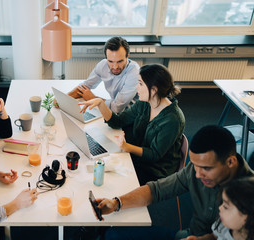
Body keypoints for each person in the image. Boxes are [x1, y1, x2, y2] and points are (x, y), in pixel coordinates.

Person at [93, 125, 254, 240]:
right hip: (189, 236)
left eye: (205, 168)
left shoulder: (248, 194)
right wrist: (116, 203)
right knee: (113, 235)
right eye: (195, 166)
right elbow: (158, 190)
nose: (197, 175)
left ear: (231, 162)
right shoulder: (197, 170)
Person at [80, 63, 185, 185]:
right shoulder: (145, 103)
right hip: (136, 157)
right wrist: (100, 104)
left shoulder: (173, 119)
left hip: (154, 170)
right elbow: (118, 121)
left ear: (154, 90)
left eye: (140, 84)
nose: (136, 87)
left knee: (109, 180)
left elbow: (154, 155)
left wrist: (127, 147)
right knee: (96, 168)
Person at [67, 36, 140, 113]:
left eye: (120, 61)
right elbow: (84, 87)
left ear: (127, 56)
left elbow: (117, 108)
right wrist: (63, 99)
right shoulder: (103, 64)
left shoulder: (135, 73)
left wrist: (92, 98)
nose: (115, 67)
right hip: (112, 112)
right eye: (111, 61)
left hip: (130, 114)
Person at [184, 176, 254, 240]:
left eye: (226, 207)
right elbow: (214, 236)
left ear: (247, 216)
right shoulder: (223, 225)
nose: (220, 208)